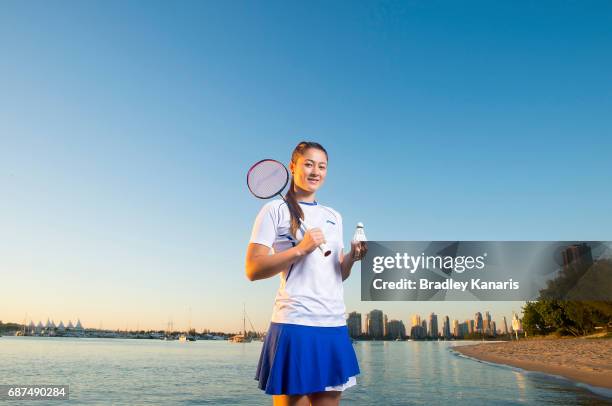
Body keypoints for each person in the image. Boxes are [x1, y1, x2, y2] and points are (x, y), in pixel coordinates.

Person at [246, 141, 367, 406]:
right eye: (309, 164)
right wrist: (300, 249)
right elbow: (253, 269)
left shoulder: (334, 215)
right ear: (293, 167)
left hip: (333, 324)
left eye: (322, 166)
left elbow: (337, 274)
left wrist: (353, 258)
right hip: (295, 323)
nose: (316, 171)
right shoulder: (274, 210)